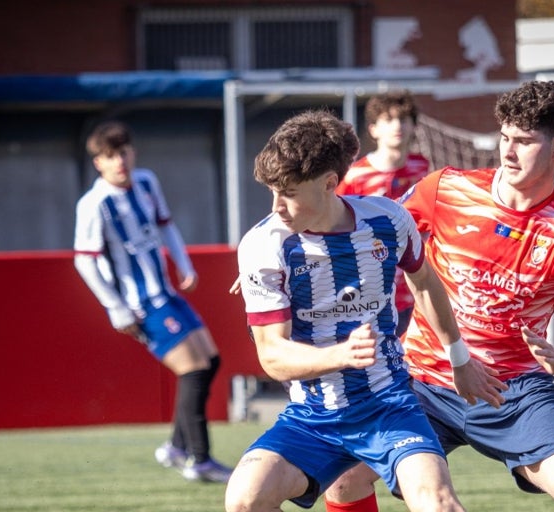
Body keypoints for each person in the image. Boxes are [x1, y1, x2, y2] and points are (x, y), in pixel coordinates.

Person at [324, 81, 554, 511]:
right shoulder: (445, 188)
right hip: (425, 380)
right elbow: (364, 225)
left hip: (516, 392)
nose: (508, 152)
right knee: (341, 480)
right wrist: (283, 248)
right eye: (505, 137)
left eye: (524, 142)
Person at [226, 110, 505, 512]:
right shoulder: (263, 246)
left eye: (288, 192)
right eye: (272, 191)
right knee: (243, 499)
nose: (277, 207)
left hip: (388, 406)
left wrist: (459, 358)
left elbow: (424, 280)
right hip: (312, 416)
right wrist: (339, 356)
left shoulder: (388, 219)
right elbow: (272, 354)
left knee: (439, 503)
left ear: (328, 184)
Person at [73, 120, 233, 484]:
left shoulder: (146, 181)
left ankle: (177, 447)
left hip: (167, 293)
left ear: (133, 152)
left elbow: (165, 225)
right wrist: (116, 309)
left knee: (211, 360)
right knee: (192, 369)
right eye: (109, 156)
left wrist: (185, 264)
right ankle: (200, 459)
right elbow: (84, 260)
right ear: (98, 162)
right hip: (140, 304)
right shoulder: (93, 204)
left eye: (123, 152)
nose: (119, 162)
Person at [336, 90, 430, 336]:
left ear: (413, 126)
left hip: (416, 287)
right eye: (388, 120)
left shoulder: (424, 168)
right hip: (370, 289)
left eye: (403, 119)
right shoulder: (355, 176)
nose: (397, 126)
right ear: (373, 129)